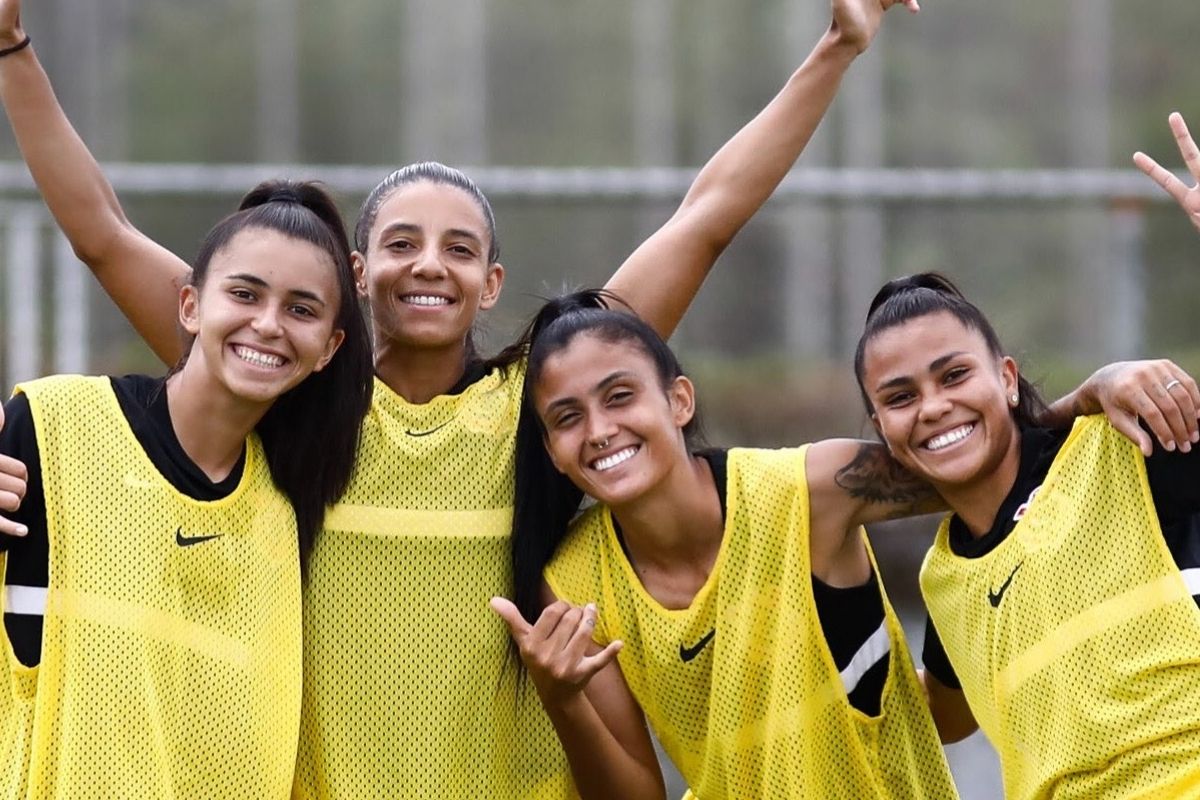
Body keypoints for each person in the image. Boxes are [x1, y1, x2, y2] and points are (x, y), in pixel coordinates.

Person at [0, 0, 925, 795]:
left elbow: (707, 215)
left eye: (458, 248)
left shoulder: (549, 406)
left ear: (490, 284)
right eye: (401, 242)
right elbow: (103, 235)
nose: (428, 264)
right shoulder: (295, 385)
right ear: (359, 273)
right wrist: (13, 50)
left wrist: (836, 45)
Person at [489, 289, 1191, 798]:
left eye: (619, 397)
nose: (601, 430)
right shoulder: (571, 582)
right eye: (567, 417)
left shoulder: (811, 489)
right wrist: (563, 698)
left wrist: (1097, 391)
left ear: (678, 400)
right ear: (551, 450)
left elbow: (979, 456)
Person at [849, 114, 1200, 800]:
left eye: (954, 377)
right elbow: (942, 713)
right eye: (900, 396)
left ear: (1005, 379)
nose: (933, 407)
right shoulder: (943, 579)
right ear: (880, 425)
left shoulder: (1126, 445)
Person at [0, 179, 373, 799]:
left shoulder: (288, 506)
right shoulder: (55, 423)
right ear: (191, 306)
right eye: (245, 294)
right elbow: (99, 232)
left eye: (301, 310)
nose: (268, 325)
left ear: (330, 348)